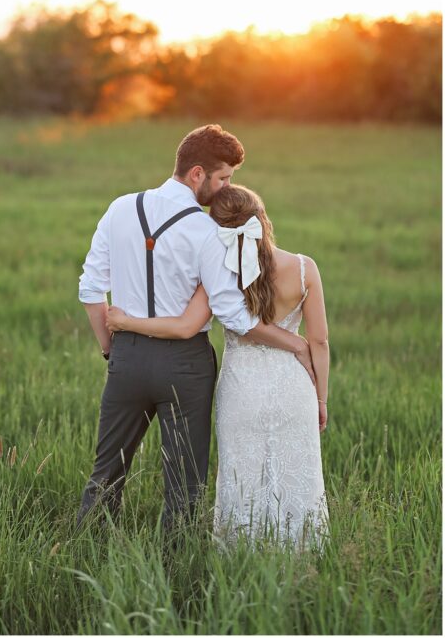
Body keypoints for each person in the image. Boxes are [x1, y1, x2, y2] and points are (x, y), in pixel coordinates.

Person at [76, 124, 317, 533]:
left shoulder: (119, 208)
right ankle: (177, 569)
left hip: (127, 357)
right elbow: (233, 316)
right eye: (223, 177)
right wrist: (294, 342)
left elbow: (90, 288)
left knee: (106, 473)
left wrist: (110, 350)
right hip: (185, 366)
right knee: (184, 484)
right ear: (197, 174)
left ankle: (86, 554)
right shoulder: (207, 233)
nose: (225, 188)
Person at [107, 184, 329, 548]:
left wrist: (127, 322)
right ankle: (300, 553)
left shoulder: (220, 275)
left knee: (242, 479)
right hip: (293, 388)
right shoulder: (304, 269)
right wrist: (320, 400)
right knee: (296, 478)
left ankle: (242, 554)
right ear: (264, 220)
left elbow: (183, 327)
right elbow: (318, 342)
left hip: (240, 392)